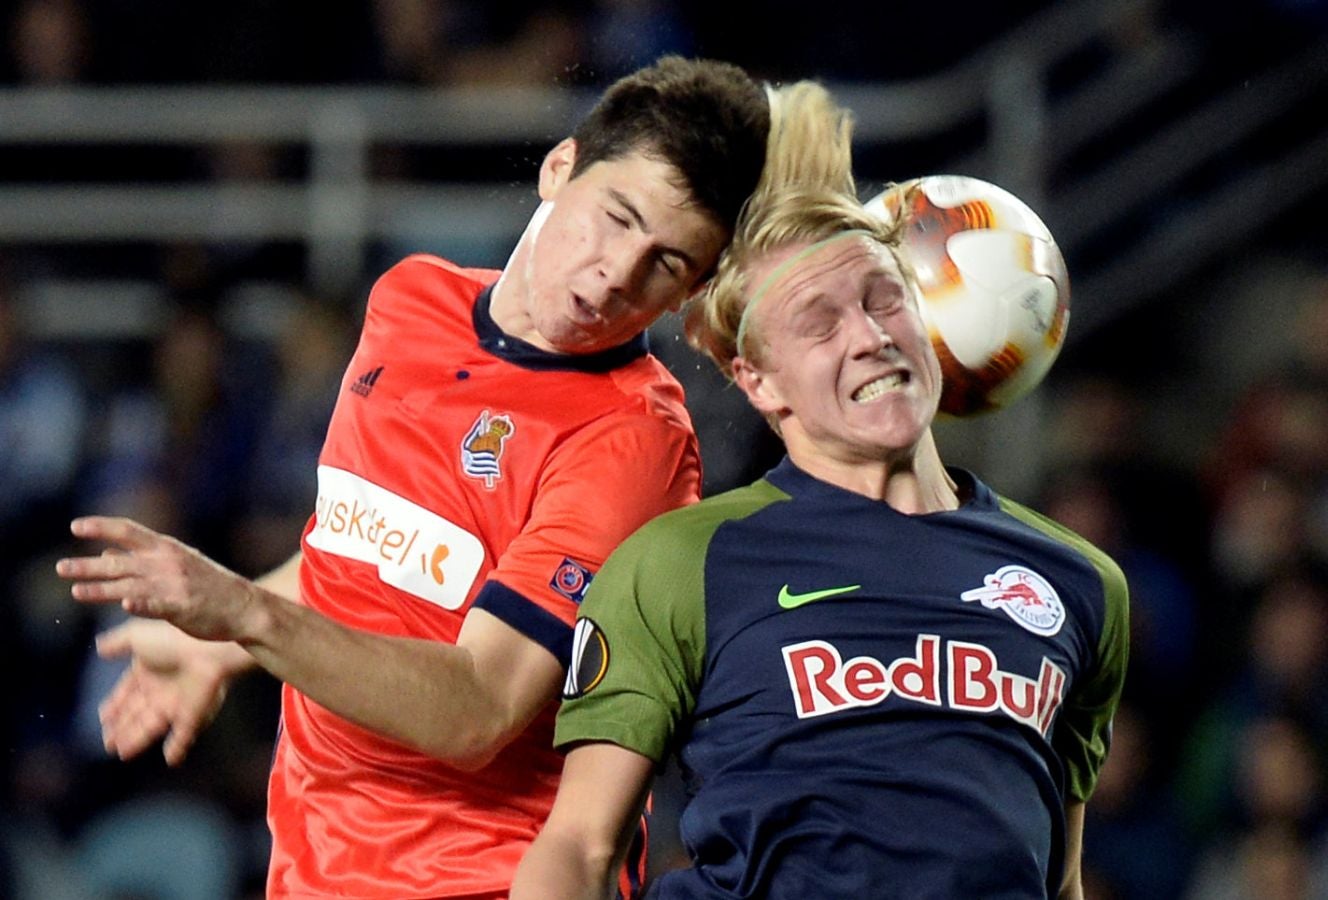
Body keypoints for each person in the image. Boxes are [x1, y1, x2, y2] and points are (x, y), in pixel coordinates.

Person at [55, 57, 846, 899]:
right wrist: (222, 639)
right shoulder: (409, 301)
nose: (617, 272)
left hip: (476, 877)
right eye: (615, 218)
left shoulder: (630, 441)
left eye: (666, 264)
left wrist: (246, 617)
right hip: (315, 863)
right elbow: (369, 548)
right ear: (560, 168)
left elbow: (478, 710)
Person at [510, 162, 1131, 896]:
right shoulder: (681, 563)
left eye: (883, 300)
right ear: (759, 381)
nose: (869, 337)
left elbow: (1057, 879)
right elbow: (580, 848)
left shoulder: (1081, 583)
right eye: (820, 323)